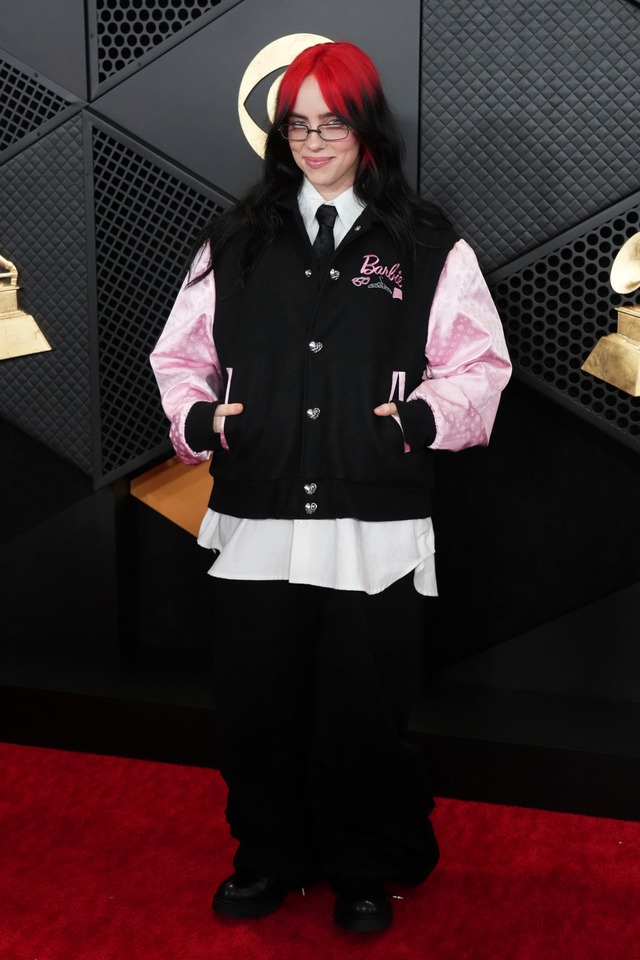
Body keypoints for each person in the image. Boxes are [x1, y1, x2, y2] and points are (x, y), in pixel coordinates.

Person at [150, 40, 511, 933]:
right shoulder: (234, 240)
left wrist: (420, 419)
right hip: (258, 514)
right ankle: (270, 855)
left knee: (363, 707)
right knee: (257, 703)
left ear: (366, 130)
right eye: (299, 126)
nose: (314, 144)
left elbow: (479, 366)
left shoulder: (425, 243)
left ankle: (364, 864)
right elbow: (179, 357)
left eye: (332, 125)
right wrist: (200, 423)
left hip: (372, 521)